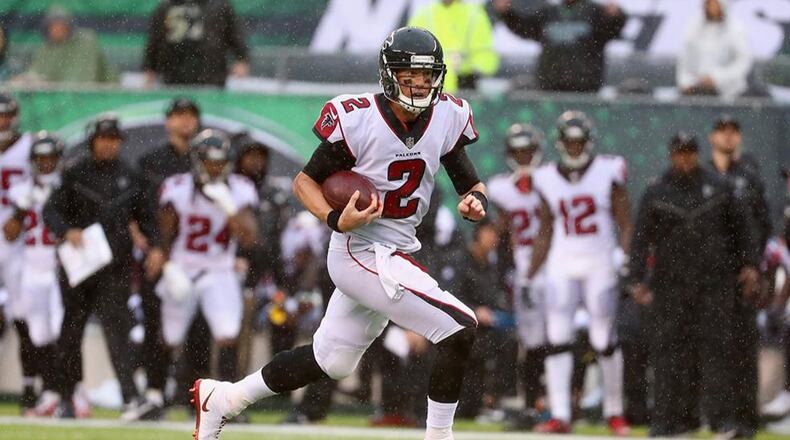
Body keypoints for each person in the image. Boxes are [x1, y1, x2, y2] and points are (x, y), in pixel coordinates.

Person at [191, 27, 486, 440]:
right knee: (460, 327)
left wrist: (476, 200)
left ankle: (222, 400)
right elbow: (304, 182)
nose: (420, 85)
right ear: (389, 75)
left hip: (396, 250)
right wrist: (334, 218)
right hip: (359, 250)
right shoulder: (358, 118)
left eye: (426, 76)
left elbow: (468, 181)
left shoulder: (448, 115)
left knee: (330, 361)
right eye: (409, 75)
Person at [627, 132, 760, 437]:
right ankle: (669, 420)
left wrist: (750, 266)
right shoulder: (657, 191)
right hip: (671, 284)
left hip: (714, 282)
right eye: (680, 153)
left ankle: (722, 420)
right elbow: (640, 239)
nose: (685, 158)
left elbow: (743, 230)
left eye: (690, 152)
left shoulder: (720, 188)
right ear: (671, 155)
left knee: (717, 351)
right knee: (669, 352)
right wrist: (636, 279)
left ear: (697, 154)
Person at [43, 115, 164, 417]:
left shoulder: (130, 175)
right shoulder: (74, 172)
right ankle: (68, 397)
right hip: (79, 266)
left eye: (114, 139)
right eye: (103, 138)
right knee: (71, 332)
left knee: (118, 332)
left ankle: (130, 398)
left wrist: (157, 247)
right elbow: (51, 209)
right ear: (92, 140)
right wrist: (65, 230)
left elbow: (146, 215)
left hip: (115, 266)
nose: (109, 144)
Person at [528, 111, 632, 435]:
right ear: (561, 142)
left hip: (599, 259)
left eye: (579, 141)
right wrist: (529, 274)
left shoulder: (607, 171)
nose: (574, 148)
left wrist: (623, 255)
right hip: (562, 261)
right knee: (557, 337)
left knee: (603, 338)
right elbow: (544, 229)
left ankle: (615, 411)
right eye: (569, 141)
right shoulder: (545, 177)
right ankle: (560, 414)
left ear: (589, 142)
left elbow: (625, 220)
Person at [156, 129, 257, 407]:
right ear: (197, 160)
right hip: (183, 267)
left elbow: (249, 237)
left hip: (219, 270)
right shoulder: (176, 187)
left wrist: (228, 206)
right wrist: (167, 266)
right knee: (170, 337)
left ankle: (228, 402)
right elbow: (164, 234)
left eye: (220, 161)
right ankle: (156, 396)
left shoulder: (239, 189)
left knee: (227, 334)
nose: (215, 168)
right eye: (210, 161)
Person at [124, 97, 210, 421]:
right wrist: (150, 248)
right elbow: (134, 210)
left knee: (199, 330)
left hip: (194, 257)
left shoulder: (207, 158)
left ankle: (196, 398)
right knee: (156, 328)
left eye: (191, 115)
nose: (185, 122)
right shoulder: (151, 162)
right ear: (168, 121)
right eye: (179, 116)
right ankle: (154, 393)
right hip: (159, 258)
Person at [707, 116, 768, 437]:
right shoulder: (701, 177)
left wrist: (755, 267)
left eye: (733, 132)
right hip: (709, 276)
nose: (728, 138)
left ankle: (745, 418)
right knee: (713, 347)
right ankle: (718, 417)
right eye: (722, 131)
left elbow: (762, 226)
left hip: (743, 273)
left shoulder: (750, 178)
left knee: (744, 345)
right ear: (712, 136)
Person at [486, 122, 547, 428]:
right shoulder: (500, 188)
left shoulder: (552, 181)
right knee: (530, 340)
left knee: (562, 336)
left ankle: (557, 404)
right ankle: (532, 404)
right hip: (522, 269)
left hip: (557, 265)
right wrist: (504, 276)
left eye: (528, 151)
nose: (523, 157)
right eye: (518, 151)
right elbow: (499, 235)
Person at [4, 132, 64, 416]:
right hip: (30, 264)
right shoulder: (21, 190)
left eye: (51, 158)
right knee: (38, 334)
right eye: (41, 159)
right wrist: (21, 207)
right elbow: (9, 232)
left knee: (62, 330)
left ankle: (65, 392)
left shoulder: (67, 187)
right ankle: (48, 392)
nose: (47, 164)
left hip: (60, 264)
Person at [493, 0, 625, 93]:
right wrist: (507, 14)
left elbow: (613, 29)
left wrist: (617, 16)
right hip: (550, 87)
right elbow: (525, 27)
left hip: (586, 89)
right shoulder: (548, 13)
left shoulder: (595, 13)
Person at [0, 94, 35, 413]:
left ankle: (29, 386)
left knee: (23, 315)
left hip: (17, 241)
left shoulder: (29, 149)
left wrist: (19, 216)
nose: (2, 122)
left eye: (6, 115)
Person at [143, 0, 249, 87]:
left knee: (208, 107)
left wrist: (242, 58)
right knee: (178, 108)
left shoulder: (220, 5)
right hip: (173, 73)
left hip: (210, 73)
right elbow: (155, 38)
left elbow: (235, 33)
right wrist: (150, 67)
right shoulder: (166, 7)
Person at [408, 0, 499, 92]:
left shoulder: (475, 15)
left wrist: (465, 70)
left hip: (464, 88)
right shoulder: (423, 15)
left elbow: (486, 59)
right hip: (429, 87)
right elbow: (410, 55)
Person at [18, 5, 116, 84]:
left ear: (69, 26)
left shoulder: (85, 43)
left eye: (61, 25)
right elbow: (36, 74)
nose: (57, 30)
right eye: (53, 26)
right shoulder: (44, 50)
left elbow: (81, 80)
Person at [677, 0, 752, 99]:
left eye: (714, 4)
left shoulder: (735, 29)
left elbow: (743, 62)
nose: (710, 7)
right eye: (708, 4)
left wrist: (717, 78)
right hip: (698, 92)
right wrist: (687, 82)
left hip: (730, 93)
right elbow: (685, 60)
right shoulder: (693, 29)